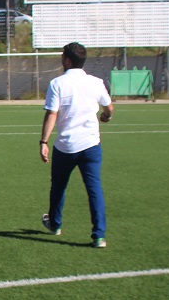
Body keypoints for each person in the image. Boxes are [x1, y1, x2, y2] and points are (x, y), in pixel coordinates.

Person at [39, 41, 114, 248]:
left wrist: (44, 141)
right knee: (94, 188)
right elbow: (109, 108)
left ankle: (55, 224)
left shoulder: (57, 83)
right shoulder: (96, 82)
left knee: (58, 187)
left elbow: (52, 114)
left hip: (66, 146)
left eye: (62, 56)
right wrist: (106, 117)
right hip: (91, 145)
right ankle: (99, 236)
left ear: (68, 60)